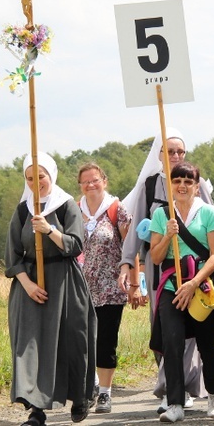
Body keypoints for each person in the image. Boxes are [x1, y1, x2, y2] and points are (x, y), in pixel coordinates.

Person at [120, 128, 213, 412]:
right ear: (158, 155)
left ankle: (184, 386)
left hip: (194, 267)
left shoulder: (197, 182)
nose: (175, 156)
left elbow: (213, 226)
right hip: (159, 265)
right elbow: (137, 227)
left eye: (179, 152)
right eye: (169, 151)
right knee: (164, 328)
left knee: (192, 328)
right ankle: (170, 388)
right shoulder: (149, 186)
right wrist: (127, 262)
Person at [5, 152, 96, 426]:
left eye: (40, 176)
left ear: (51, 176)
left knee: (73, 341)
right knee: (29, 346)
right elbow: (12, 256)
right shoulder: (22, 210)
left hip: (65, 281)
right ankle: (36, 410)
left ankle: (80, 397)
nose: (36, 183)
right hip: (30, 286)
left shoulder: (66, 205)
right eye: (30, 178)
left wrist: (48, 230)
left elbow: (76, 244)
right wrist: (28, 285)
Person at [149, 162, 214, 422]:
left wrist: (194, 282)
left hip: (201, 284)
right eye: (177, 181)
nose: (182, 186)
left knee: (207, 343)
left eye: (188, 181)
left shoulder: (208, 212)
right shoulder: (162, 215)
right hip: (172, 286)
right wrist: (166, 236)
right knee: (171, 344)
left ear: (197, 186)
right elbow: (155, 256)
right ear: (170, 186)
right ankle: (175, 403)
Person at [77, 163, 132, 414]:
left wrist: (133, 280)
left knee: (106, 342)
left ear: (104, 181)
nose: (90, 185)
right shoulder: (73, 211)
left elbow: (130, 248)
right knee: (84, 341)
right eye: (85, 181)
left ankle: (105, 394)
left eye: (95, 180)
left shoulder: (116, 209)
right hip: (80, 289)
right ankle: (90, 387)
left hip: (111, 287)